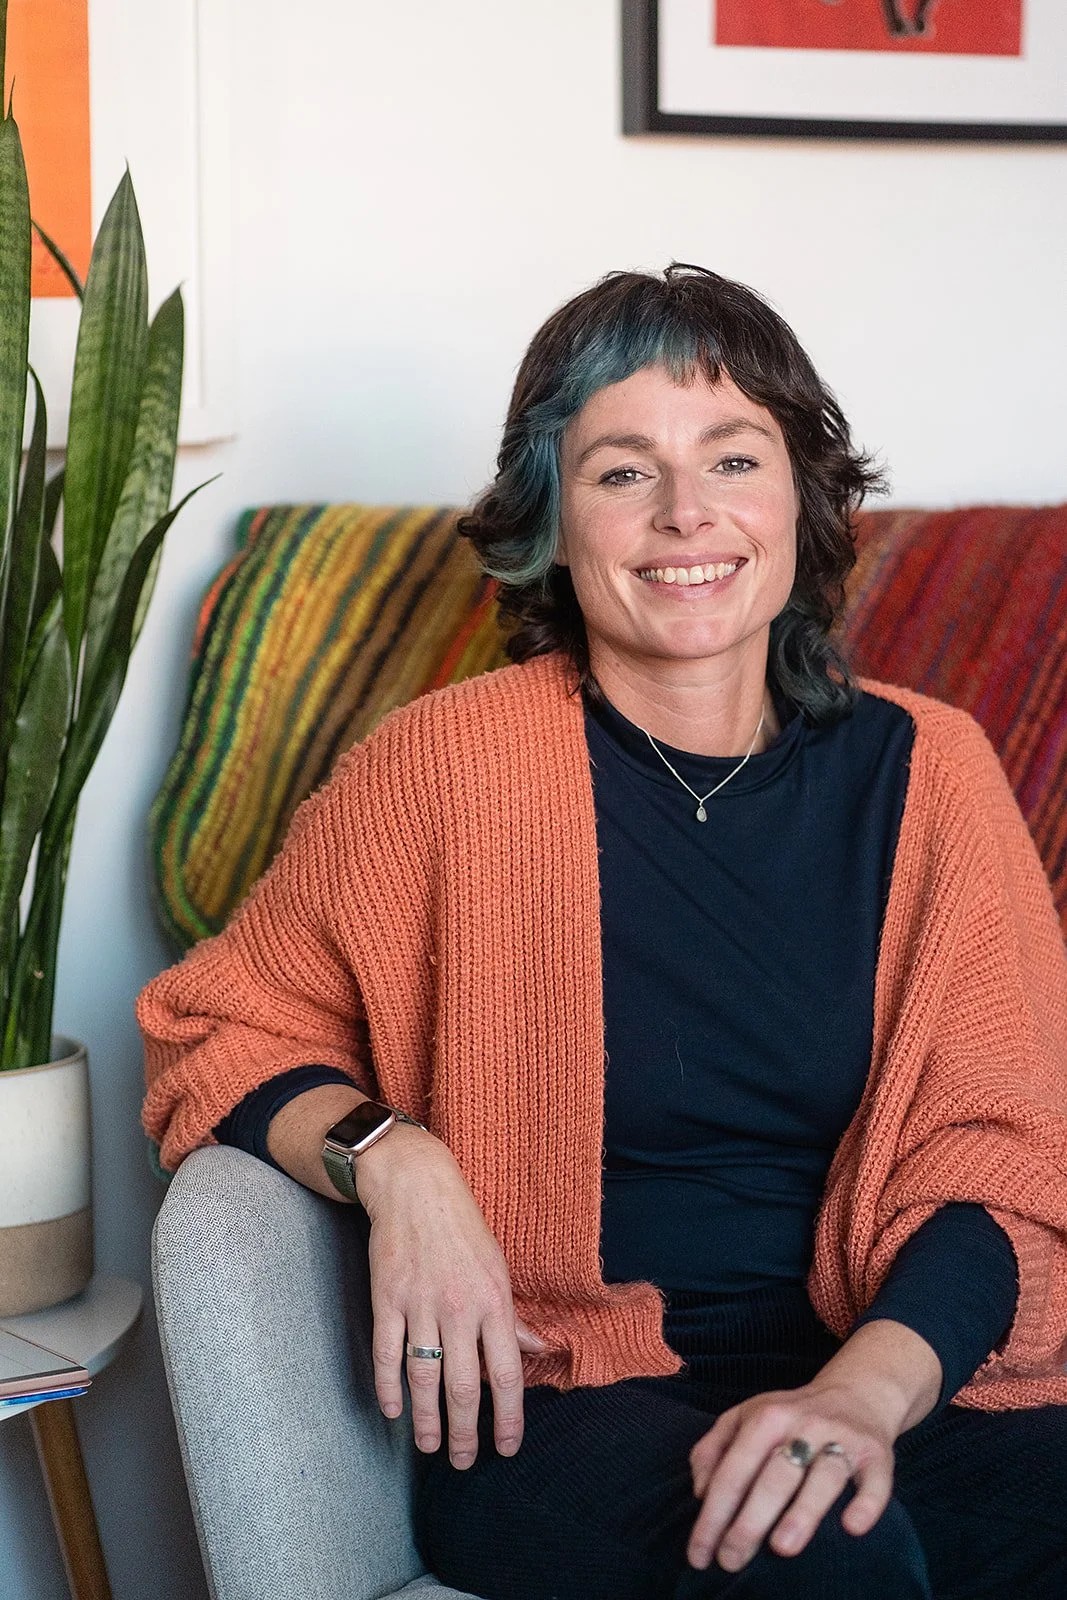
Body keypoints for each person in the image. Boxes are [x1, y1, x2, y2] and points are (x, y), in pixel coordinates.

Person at [139, 264, 1067, 1599]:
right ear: (553, 524)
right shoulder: (445, 770)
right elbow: (212, 1030)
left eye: (732, 459)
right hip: (569, 1405)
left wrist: (858, 1398)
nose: (686, 512)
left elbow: (1005, 1164)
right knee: (810, 1550)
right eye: (623, 472)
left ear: (802, 501)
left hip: (891, 1382)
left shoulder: (933, 774)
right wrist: (394, 1160)